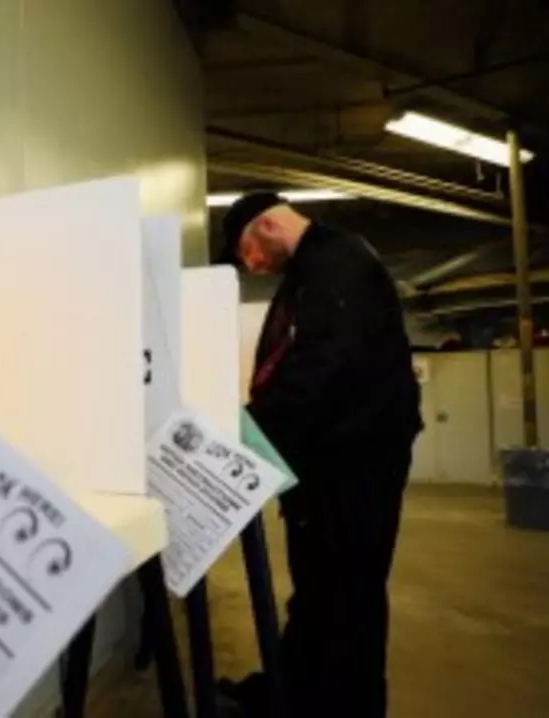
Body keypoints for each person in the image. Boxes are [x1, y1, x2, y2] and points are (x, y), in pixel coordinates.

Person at [215, 192, 423, 718]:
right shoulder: (315, 270)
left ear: (266, 225)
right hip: (328, 464)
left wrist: (246, 440)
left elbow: (319, 370)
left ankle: (345, 706)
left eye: (248, 253)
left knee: (347, 595)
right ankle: (292, 694)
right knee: (317, 592)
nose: (252, 266)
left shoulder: (340, 263)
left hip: (354, 467)